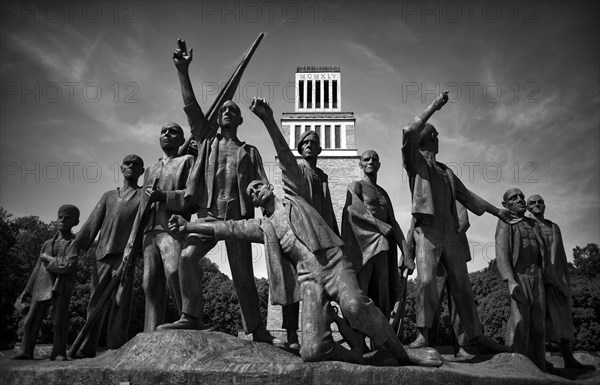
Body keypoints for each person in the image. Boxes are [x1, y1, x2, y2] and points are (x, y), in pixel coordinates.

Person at [167, 97, 443, 367]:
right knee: (312, 350)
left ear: (269, 187)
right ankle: (357, 356)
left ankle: (403, 353)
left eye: (257, 186)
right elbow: (225, 228)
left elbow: (287, 158)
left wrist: (268, 120)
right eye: (251, 193)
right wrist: (188, 225)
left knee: (356, 306)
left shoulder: (294, 195)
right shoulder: (264, 226)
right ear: (252, 202)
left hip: (332, 265)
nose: (255, 191)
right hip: (310, 278)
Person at [158, 39, 276, 344]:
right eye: (222, 109)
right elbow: (192, 110)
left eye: (231, 110)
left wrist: (266, 201)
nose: (225, 111)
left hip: (236, 219)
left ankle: (257, 330)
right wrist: (182, 71)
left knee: (244, 278)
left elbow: (262, 185)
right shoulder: (207, 142)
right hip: (208, 217)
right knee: (187, 257)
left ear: (238, 119)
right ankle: (191, 316)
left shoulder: (249, 152)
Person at [402, 91, 512, 353]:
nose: (439, 139)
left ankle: (475, 337)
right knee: (427, 282)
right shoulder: (416, 163)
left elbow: (469, 197)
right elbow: (408, 130)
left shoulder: (446, 172)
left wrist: (498, 211)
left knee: (462, 286)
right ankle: (423, 337)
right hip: (427, 233)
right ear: (427, 138)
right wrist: (434, 107)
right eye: (436, 135)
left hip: (450, 233)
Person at [71, 155, 145, 358]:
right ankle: (86, 347)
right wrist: (74, 248)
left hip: (126, 257)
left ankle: (115, 348)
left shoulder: (142, 196)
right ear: (121, 169)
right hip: (103, 254)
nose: (131, 166)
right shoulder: (109, 196)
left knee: (122, 303)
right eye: (127, 163)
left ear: (142, 171)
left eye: (136, 164)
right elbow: (91, 225)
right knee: (95, 302)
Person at [281, 130, 340, 349]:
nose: (308, 145)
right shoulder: (297, 170)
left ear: (319, 149)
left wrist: (335, 236)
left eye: (313, 143)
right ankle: (291, 335)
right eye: (304, 142)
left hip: (321, 237)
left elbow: (329, 210)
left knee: (323, 285)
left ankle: (322, 333)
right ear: (300, 148)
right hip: (299, 235)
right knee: (294, 282)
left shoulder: (322, 176)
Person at [527, 194, 596, 371]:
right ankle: (538, 359)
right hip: (537, 279)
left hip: (557, 278)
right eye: (532, 202)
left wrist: (565, 279)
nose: (537, 205)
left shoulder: (554, 226)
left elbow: (562, 255)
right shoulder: (526, 225)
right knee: (538, 319)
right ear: (527, 207)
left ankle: (568, 357)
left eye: (540, 201)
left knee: (564, 316)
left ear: (545, 205)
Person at [342, 150, 410, 319]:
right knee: (362, 289)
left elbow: (393, 223)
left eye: (374, 159)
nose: (371, 162)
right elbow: (352, 210)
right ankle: (358, 337)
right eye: (366, 159)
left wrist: (406, 253)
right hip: (365, 246)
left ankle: (383, 335)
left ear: (379, 165)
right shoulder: (356, 186)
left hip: (384, 247)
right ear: (361, 164)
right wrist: (378, 225)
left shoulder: (383, 193)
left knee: (383, 290)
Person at [142, 122, 195, 331]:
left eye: (173, 132)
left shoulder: (187, 161)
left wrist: (163, 196)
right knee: (149, 283)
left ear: (182, 140)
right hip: (149, 230)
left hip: (171, 228)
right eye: (163, 131)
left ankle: (190, 316)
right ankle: (151, 330)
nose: (166, 134)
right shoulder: (151, 169)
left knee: (173, 271)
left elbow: (193, 196)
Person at [12, 205, 80, 361]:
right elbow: (37, 268)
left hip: (61, 286)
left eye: (67, 218)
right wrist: (26, 291)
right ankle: (25, 351)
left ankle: (59, 352)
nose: (62, 220)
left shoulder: (73, 243)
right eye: (60, 217)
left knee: (59, 322)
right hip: (41, 286)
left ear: (75, 222)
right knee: (30, 321)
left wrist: (48, 259)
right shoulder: (47, 243)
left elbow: (69, 265)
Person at [495, 188, 546, 371]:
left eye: (522, 196)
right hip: (519, 276)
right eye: (513, 197)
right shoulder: (505, 222)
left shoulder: (533, 224)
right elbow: (501, 253)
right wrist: (510, 280)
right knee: (519, 322)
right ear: (505, 205)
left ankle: (540, 367)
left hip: (538, 277)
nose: (520, 199)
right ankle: (515, 365)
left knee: (539, 326)